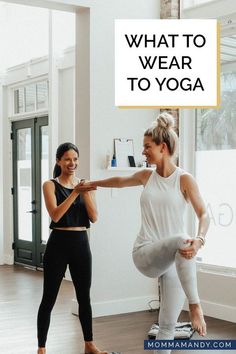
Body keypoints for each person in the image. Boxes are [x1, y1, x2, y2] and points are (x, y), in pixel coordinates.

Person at [87, 112, 210, 354]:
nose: (143, 152)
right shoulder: (146, 176)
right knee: (181, 240)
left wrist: (200, 240)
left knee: (167, 327)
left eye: (147, 146)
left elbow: (204, 215)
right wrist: (93, 184)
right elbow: (120, 181)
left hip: (176, 261)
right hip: (146, 253)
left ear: (162, 147)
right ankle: (196, 306)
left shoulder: (184, 179)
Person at [37, 142, 108, 354]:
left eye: (75, 159)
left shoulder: (84, 185)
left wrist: (84, 192)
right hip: (58, 244)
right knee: (48, 298)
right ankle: (41, 348)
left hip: (81, 244)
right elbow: (56, 215)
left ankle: (89, 344)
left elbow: (94, 217)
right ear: (59, 161)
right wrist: (75, 193)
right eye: (67, 159)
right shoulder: (49, 185)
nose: (72, 163)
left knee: (84, 297)